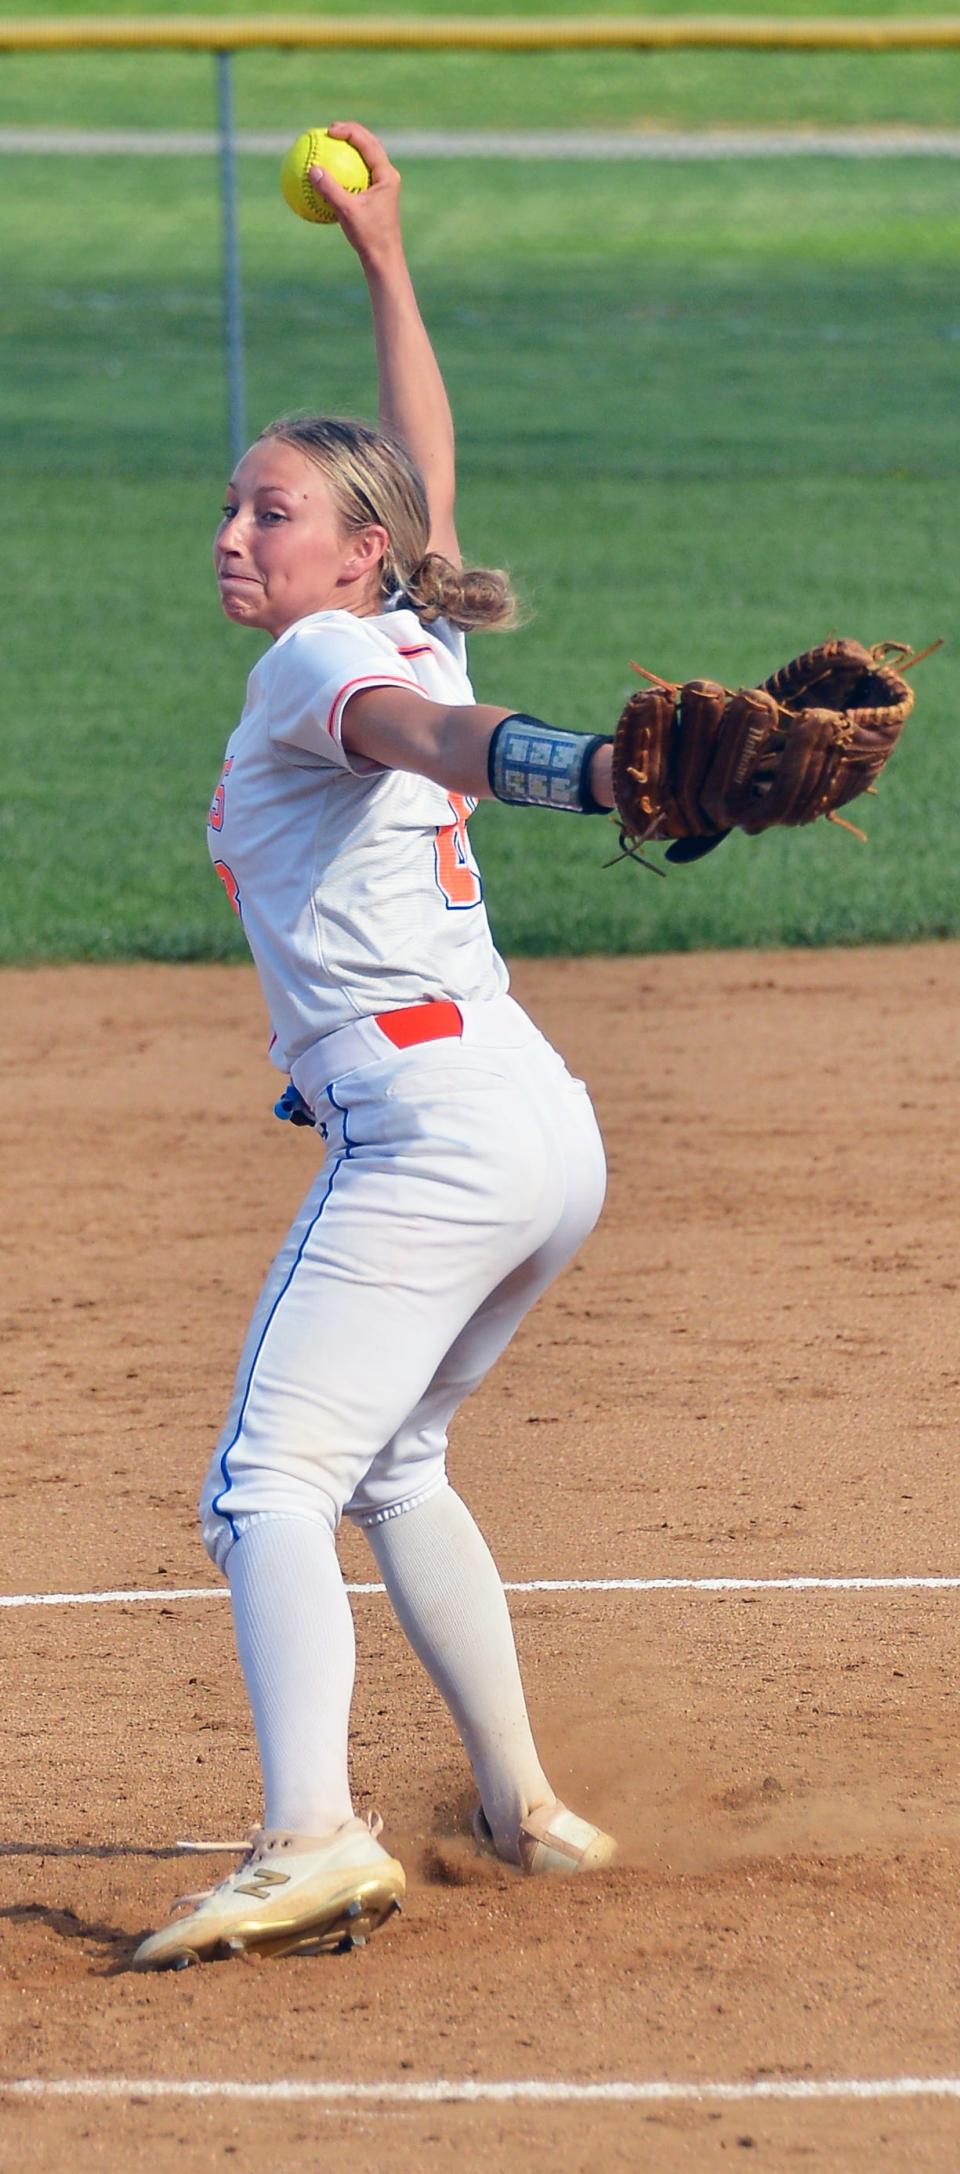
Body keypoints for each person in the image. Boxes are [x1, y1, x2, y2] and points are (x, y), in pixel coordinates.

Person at [135, 122, 619, 1971]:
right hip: (538, 1121)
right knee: (395, 1463)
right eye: (238, 503)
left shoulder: (322, 663)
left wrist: (565, 763)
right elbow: (423, 475)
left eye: (272, 510)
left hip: (428, 1131)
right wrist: (385, 257)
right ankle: (527, 1808)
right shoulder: (394, 600)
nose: (236, 532)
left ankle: (313, 1832)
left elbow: (422, 734)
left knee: (264, 1483)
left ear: (352, 560)